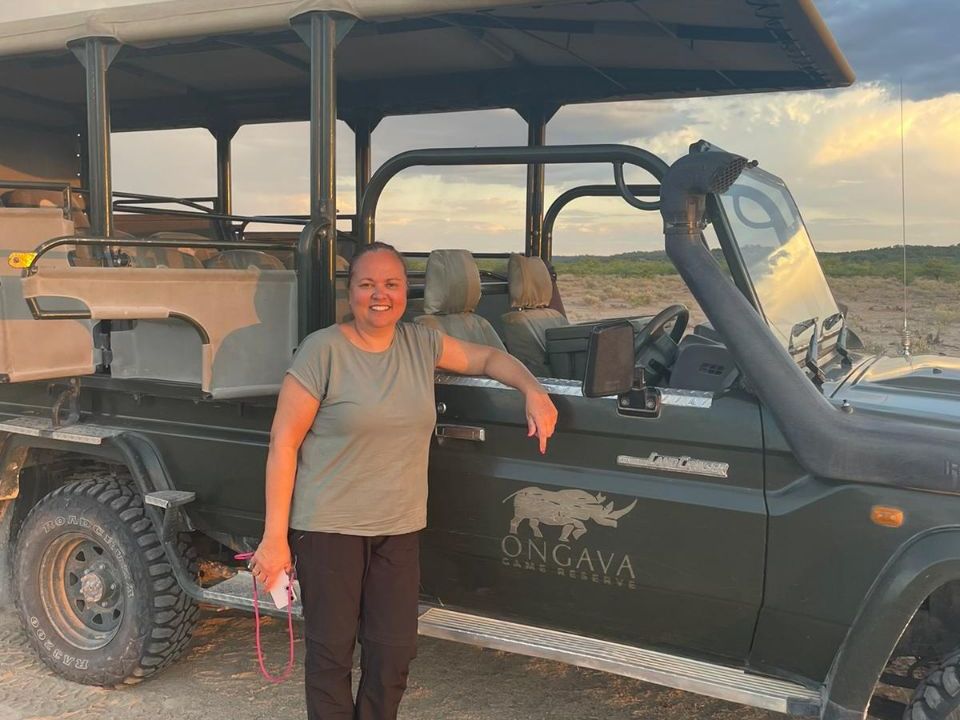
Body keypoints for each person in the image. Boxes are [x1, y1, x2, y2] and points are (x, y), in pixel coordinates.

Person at [250, 242, 558, 720]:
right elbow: (283, 444)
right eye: (367, 284)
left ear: (405, 291)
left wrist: (532, 390)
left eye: (391, 284)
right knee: (331, 656)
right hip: (330, 529)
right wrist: (274, 541)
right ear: (349, 291)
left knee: (393, 653)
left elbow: (486, 359)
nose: (380, 295)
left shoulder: (421, 343)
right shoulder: (322, 351)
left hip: (398, 529)